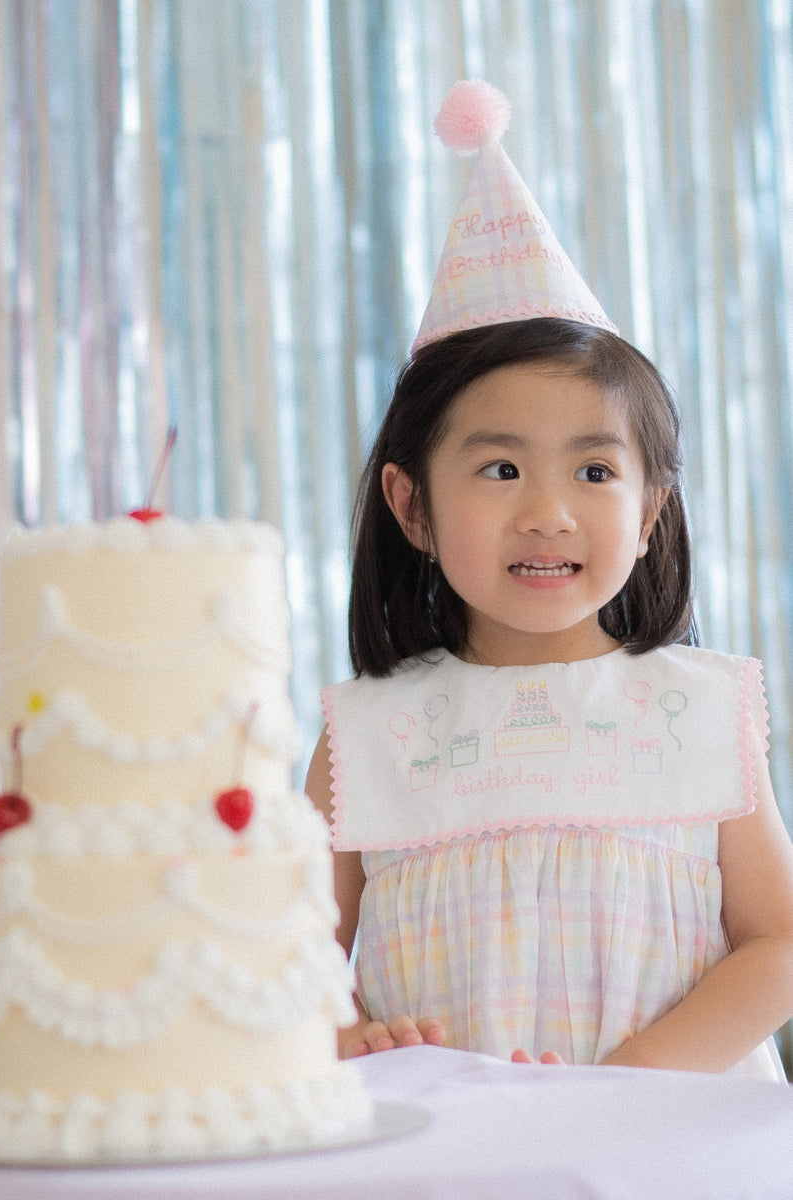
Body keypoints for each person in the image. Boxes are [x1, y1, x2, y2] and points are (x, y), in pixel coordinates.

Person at [305, 82, 793, 1078]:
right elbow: (282, 953)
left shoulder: (695, 711)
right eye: (499, 468)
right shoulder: (368, 736)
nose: (548, 511)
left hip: (666, 1153)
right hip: (442, 1155)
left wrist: (636, 1080)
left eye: (594, 470)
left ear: (651, 509)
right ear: (411, 506)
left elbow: (779, 941)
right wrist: (337, 1032)